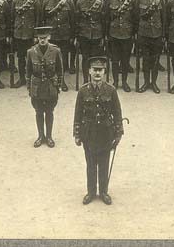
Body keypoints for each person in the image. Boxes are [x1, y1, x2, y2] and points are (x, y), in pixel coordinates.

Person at [74, 56, 124, 205]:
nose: (97, 73)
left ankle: (103, 192)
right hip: (88, 132)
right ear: (89, 71)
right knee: (90, 164)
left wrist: (118, 132)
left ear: (104, 72)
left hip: (105, 133)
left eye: (100, 70)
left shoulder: (111, 90)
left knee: (103, 163)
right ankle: (90, 192)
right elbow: (78, 113)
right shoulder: (83, 91)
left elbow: (117, 112)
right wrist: (77, 133)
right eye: (94, 70)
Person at [26, 26, 64, 147]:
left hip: (50, 86)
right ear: (37, 38)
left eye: (45, 38)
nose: (42, 40)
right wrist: (29, 87)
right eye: (40, 38)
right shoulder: (31, 52)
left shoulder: (55, 51)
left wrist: (58, 86)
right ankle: (40, 136)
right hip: (37, 87)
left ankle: (49, 136)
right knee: (38, 112)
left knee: (49, 111)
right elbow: (28, 71)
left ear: (49, 37)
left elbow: (60, 70)